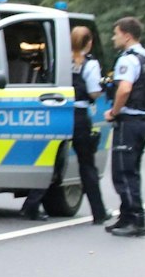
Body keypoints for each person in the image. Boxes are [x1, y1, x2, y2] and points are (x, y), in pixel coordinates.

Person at [20, 24, 111, 224]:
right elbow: (94, 91)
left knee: (51, 160)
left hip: (56, 112)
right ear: (89, 43)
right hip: (78, 114)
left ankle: (31, 206)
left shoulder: (59, 60)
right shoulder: (90, 64)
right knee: (87, 165)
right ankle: (99, 212)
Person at [102, 15, 145, 237]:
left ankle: (136, 220)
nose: (113, 38)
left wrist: (114, 112)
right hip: (142, 120)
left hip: (128, 121)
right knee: (131, 170)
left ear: (126, 35)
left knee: (123, 173)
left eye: (116, 34)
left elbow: (124, 89)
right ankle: (125, 217)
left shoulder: (127, 60)